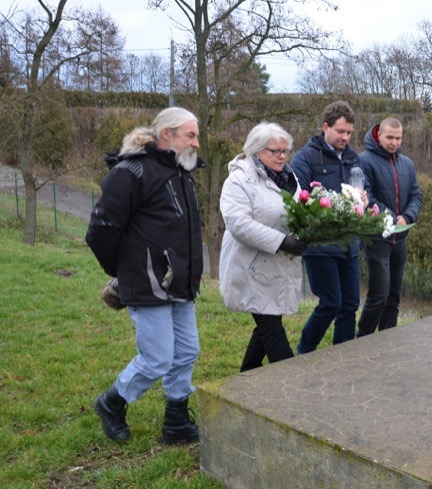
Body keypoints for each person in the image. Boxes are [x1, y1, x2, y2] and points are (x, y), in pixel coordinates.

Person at [86, 107, 203, 444]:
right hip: (147, 282)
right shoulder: (132, 171)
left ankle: (176, 420)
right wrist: (124, 272)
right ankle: (113, 401)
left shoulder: (181, 171)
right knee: (157, 358)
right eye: (190, 135)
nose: (196, 143)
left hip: (181, 283)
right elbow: (101, 230)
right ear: (166, 134)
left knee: (186, 351)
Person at [218, 122, 307, 371]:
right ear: (256, 151)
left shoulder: (289, 178)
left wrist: (308, 231)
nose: (282, 156)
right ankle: (293, 383)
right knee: (273, 331)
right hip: (252, 267)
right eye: (275, 151)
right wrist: (282, 242)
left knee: (267, 323)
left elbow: (296, 212)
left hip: (278, 267)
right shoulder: (239, 180)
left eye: (285, 150)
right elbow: (238, 224)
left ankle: (246, 375)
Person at [290, 101, 366, 354]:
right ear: (326, 127)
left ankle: (342, 355)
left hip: (349, 244)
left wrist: (364, 199)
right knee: (330, 303)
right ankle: (305, 350)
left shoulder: (353, 158)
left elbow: (364, 190)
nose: (345, 137)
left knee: (350, 304)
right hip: (321, 246)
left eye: (349, 133)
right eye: (341, 132)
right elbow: (298, 197)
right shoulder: (305, 158)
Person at [356, 117, 422, 337]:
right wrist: (392, 217)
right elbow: (366, 197)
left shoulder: (408, 164)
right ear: (379, 135)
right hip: (377, 238)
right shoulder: (364, 161)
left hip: (400, 239)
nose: (394, 142)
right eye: (390, 137)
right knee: (379, 295)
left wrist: (408, 215)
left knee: (394, 296)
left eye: (398, 138)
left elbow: (416, 195)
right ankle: (363, 338)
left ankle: (388, 339)